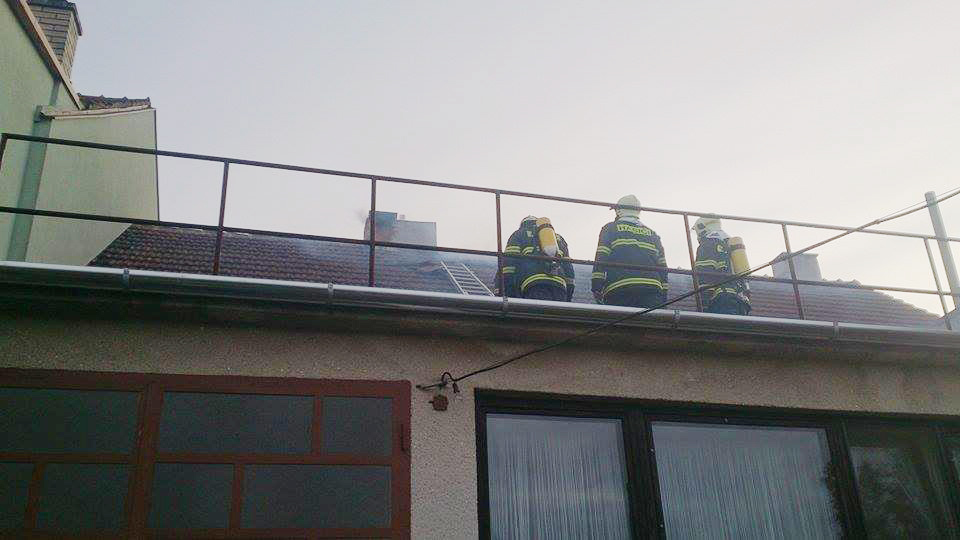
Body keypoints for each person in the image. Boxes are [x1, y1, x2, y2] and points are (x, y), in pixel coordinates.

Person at [591, 195, 668, 307]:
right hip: (652, 290)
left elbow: (601, 257)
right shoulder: (653, 234)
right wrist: (663, 295)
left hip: (620, 288)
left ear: (619, 211)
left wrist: (596, 286)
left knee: (623, 319)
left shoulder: (610, 228)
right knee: (650, 318)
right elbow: (663, 267)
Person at [494, 216, 575, 301]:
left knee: (537, 309)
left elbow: (508, 265)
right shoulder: (559, 239)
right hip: (559, 285)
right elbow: (569, 269)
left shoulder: (519, 234)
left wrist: (508, 294)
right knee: (555, 309)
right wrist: (568, 296)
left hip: (533, 284)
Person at [692, 216, 751, 315]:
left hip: (722, 299)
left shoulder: (707, 244)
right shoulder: (729, 243)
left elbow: (705, 274)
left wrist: (704, 303)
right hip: (740, 301)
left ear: (702, 228)